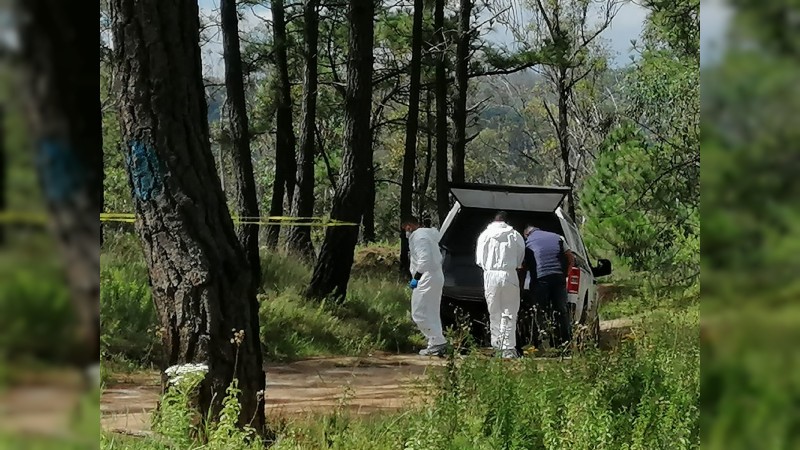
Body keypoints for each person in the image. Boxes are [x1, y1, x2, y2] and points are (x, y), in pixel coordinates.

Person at [475, 211, 526, 358]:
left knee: (494, 312)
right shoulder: (515, 235)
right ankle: (508, 349)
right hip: (509, 273)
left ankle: (497, 346)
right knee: (509, 312)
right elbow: (520, 257)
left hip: (490, 275)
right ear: (507, 221)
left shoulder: (484, 235)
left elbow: (479, 259)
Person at [523, 225, 576, 348]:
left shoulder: (528, 242)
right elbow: (570, 257)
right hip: (558, 277)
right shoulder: (558, 237)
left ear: (527, 234)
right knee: (561, 310)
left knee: (539, 311)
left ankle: (541, 343)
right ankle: (565, 342)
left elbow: (524, 265)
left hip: (540, 279)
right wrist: (566, 273)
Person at [402, 216, 448, 356]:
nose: (406, 232)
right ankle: (435, 343)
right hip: (435, 275)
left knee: (419, 312)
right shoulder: (428, 235)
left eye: (405, 229)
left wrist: (416, 278)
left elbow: (425, 259)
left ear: (409, 226)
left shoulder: (419, 237)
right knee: (431, 311)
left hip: (426, 276)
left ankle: (437, 341)